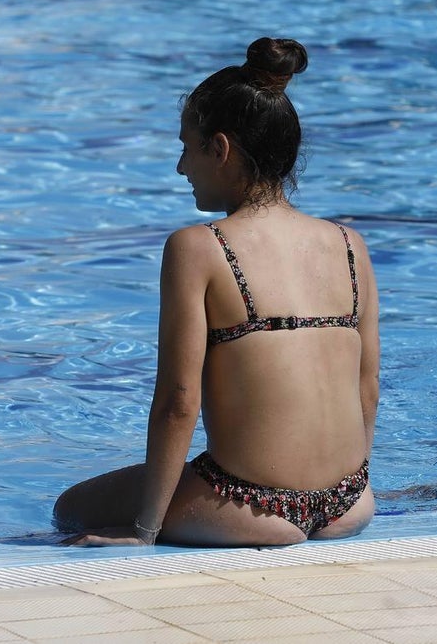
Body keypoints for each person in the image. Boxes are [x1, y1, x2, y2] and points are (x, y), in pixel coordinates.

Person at [54, 37, 380, 547]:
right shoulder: (348, 244)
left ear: (220, 149)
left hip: (249, 507)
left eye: (186, 149)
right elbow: (367, 386)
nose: (182, 168)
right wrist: (350, 487)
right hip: (351, 504)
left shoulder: (198, 247)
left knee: (71, 508)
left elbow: (178, 403)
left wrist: (145, 532)